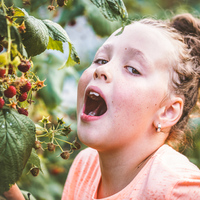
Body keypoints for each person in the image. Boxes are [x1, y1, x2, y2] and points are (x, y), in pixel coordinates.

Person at [3, 13, 200, 200]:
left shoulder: (180, 189)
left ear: (167, 111)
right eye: (101, 60)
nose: (103, 69)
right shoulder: (86, 165)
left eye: (133, 69)